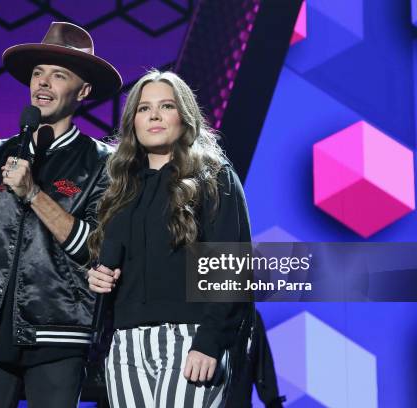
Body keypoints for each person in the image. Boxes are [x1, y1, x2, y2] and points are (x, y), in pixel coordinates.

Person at [0, 21, 122, 407]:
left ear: (83, 91)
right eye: (38, 73)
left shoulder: (102, 163)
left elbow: (95, 247)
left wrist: (34, 193)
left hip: (59, 337)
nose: (43, 83)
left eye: (58, 75)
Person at [86, 70, 253, 407]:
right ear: (133, 121)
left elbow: (231, 267)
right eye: (144, 109)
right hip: (126, 344)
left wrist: (210, 341)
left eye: (166, 106)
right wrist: (96, 276)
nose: (155, 116)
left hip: (190, 338)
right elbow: (110, 264)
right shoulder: (120, 187)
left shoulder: (215, 178)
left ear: (185, 117)